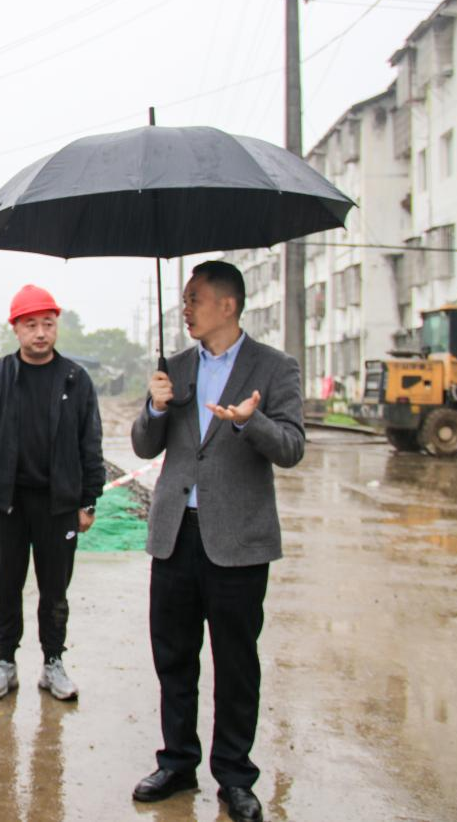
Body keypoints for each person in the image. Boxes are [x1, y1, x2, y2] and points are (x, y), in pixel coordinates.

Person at [129, 260, 305, 822]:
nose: (185, 309)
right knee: (173, 657)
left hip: (238, 541)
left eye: (194, 299)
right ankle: (177, 762)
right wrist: (156, 406)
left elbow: (292, 447)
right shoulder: (175, 367)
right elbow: (144, 446)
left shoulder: (273, 367)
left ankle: (234, 776)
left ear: (227, 305)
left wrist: (250, 422)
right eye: (184, 299)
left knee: (236, 664)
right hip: (175, 536)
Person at [0, 284, 105, 703]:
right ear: (16, 329)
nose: (40, 333)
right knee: (6, 586)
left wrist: (88, 499)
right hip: (5, 503)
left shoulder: (76, 379)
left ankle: (53, 663)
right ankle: (5, 662)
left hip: (58, 504)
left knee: (55, 589)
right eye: (31, 325)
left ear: (56, 325)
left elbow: (90, 443)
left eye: (48, 323)